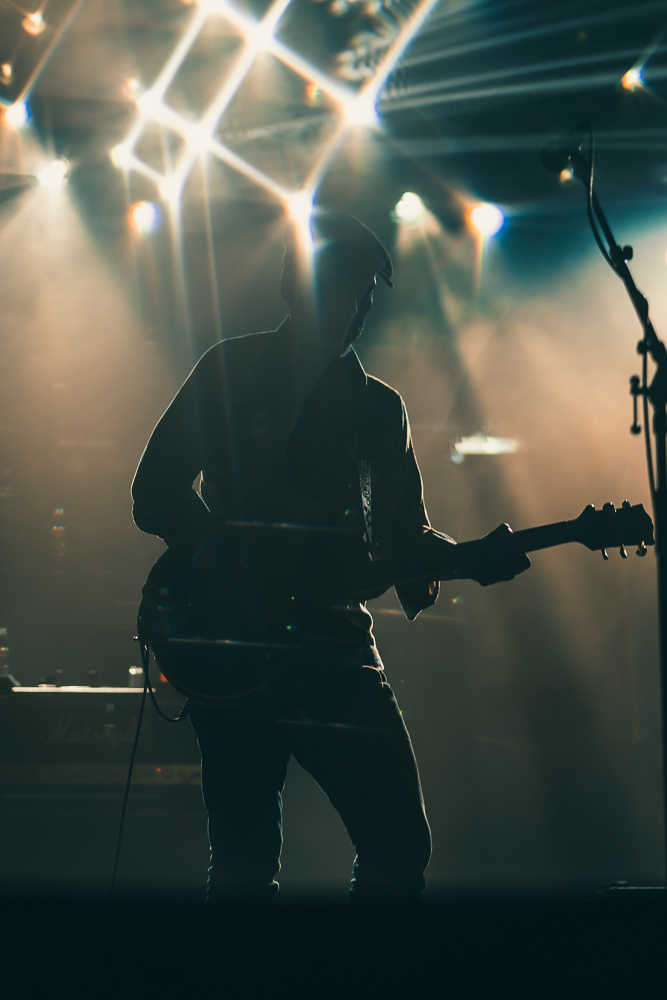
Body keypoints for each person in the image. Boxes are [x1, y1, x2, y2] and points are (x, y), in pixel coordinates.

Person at [131, 211, 530, 904]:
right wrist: (222, 556)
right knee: (244, 859)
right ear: (297, 285)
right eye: (346, 289)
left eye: (367, 296)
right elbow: (154, 491)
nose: (358, 310)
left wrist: (466, 560)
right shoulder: (229, 370)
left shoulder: (379, 409)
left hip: (333, 651)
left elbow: (402, 541)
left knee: (397, 845)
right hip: (234, 651)